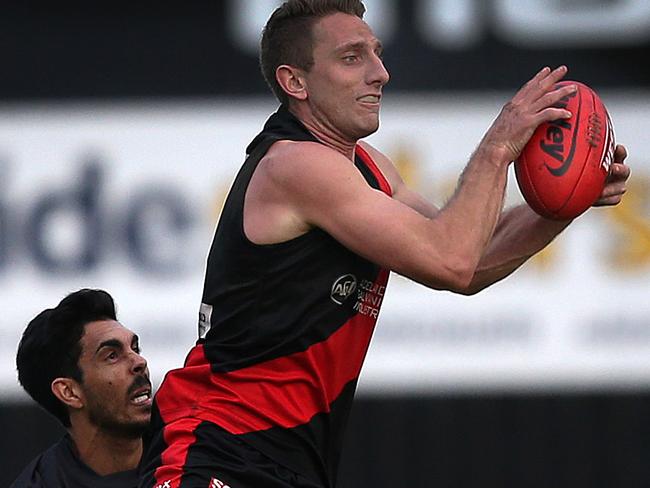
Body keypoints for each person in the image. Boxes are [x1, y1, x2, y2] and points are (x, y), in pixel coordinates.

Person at [139, 1, 631, 487]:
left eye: (376, 53)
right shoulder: (296, 166)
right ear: (295, 83)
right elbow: (451, 261)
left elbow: (471, 256)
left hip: (280, 459)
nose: (381, 73)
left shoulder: (368, 167)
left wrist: (567, 202)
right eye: (353, 57)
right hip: (216, 449)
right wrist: (500, 146)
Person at [10, 289, 153, 488]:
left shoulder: (196, 449)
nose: (139, 361)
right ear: (69, 392)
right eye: (112, 355)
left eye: (135, 348)